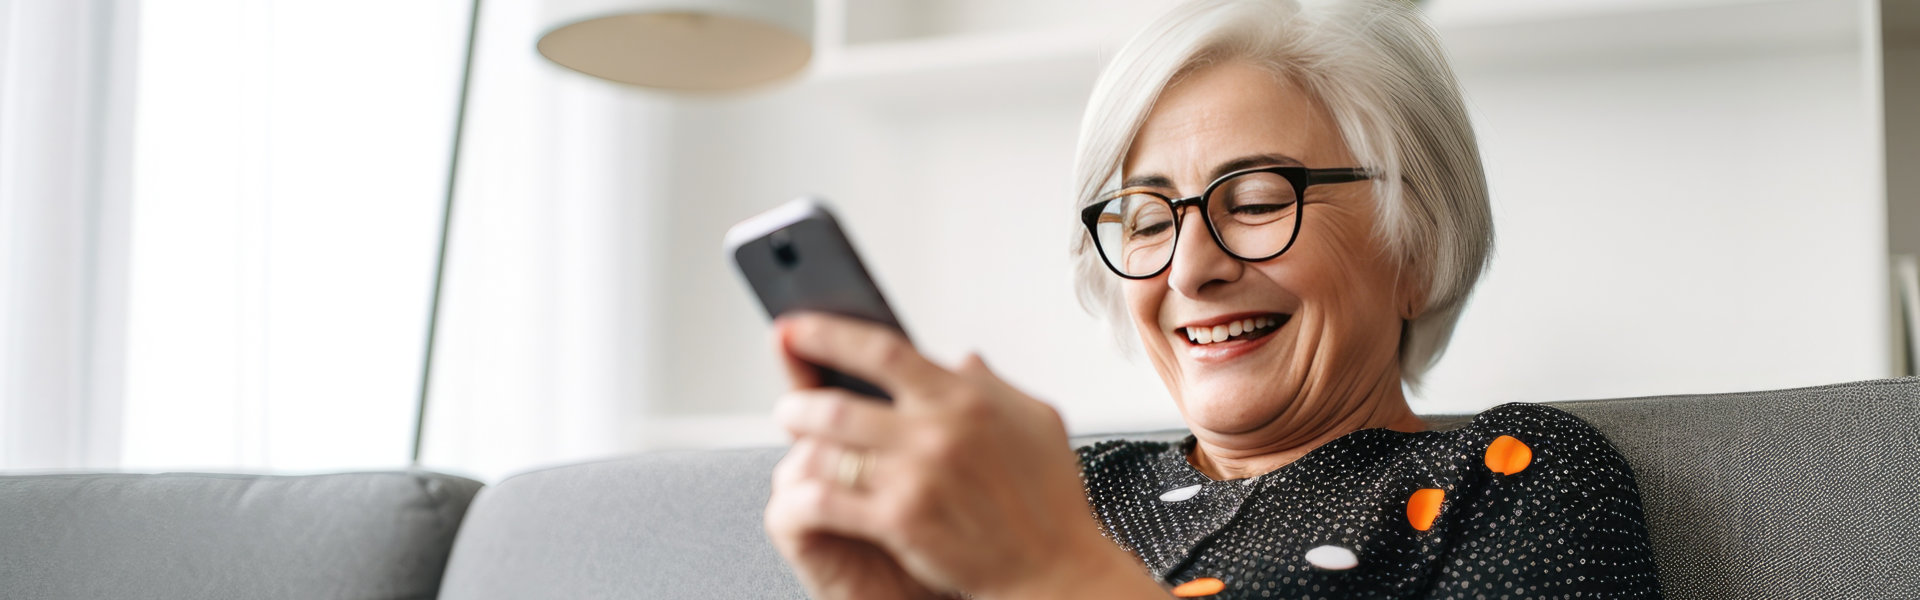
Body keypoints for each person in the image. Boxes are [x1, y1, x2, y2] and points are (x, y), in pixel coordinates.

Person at [761, 0, 1663, 598]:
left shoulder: (1514, 476)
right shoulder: (1070, 487)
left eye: (1261, 201)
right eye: (1147, 221)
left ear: (1415, 249)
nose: (1190, 271)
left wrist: (1053, 572)